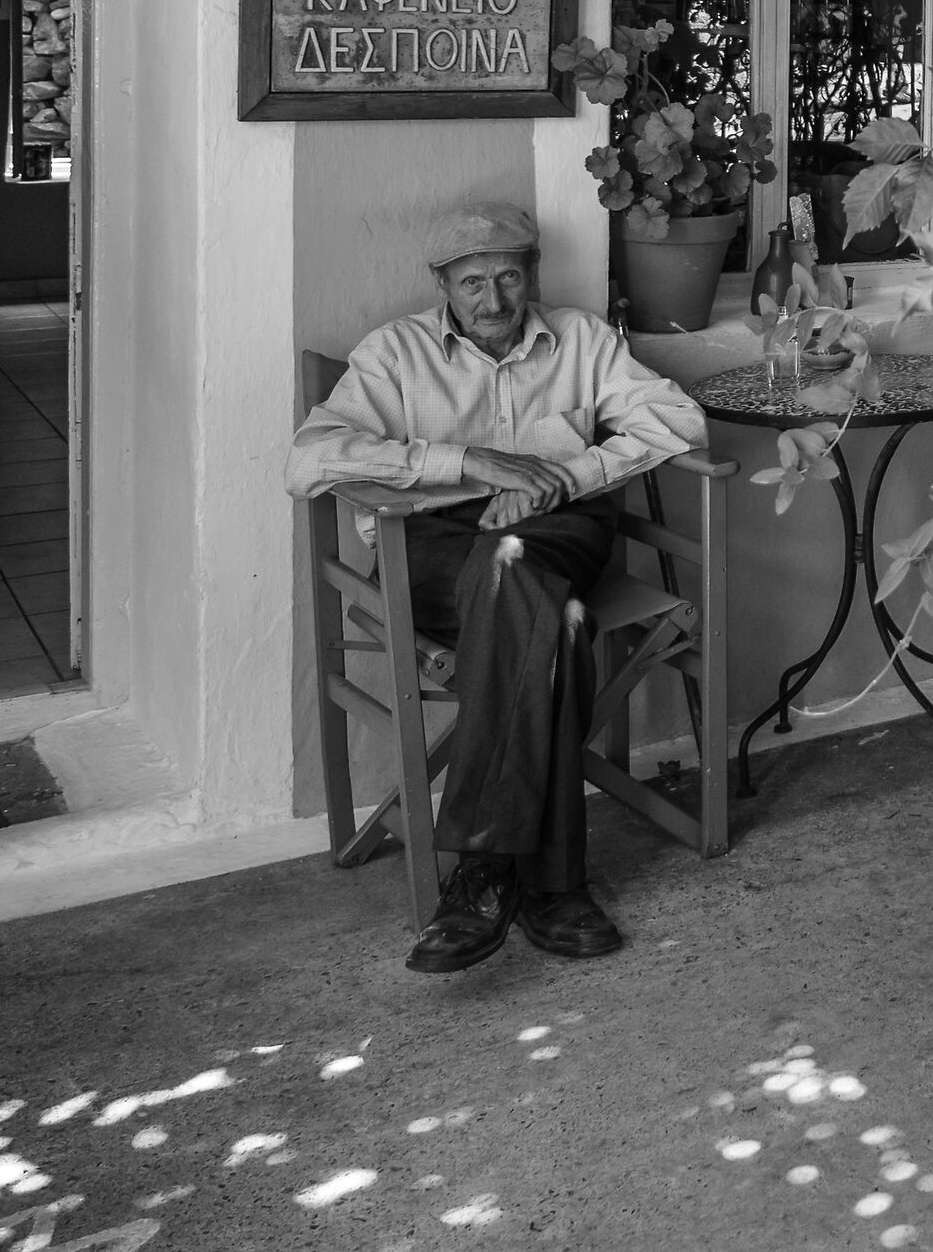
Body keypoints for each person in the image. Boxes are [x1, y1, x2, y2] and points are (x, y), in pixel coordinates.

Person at [288, 200, 705, 974]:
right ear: (442, 284)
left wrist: (564, 479)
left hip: (558, 528)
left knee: (517, 571)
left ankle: (479, 873)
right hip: (437, 548)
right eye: (472, 281)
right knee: (559, 622)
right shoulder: (396, 354)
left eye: (509, 276)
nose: (493, 299)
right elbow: (308, 461)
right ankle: (551, 884)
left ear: (532, 275)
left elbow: (679, 420)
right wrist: (468, 464)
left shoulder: (580, 339)